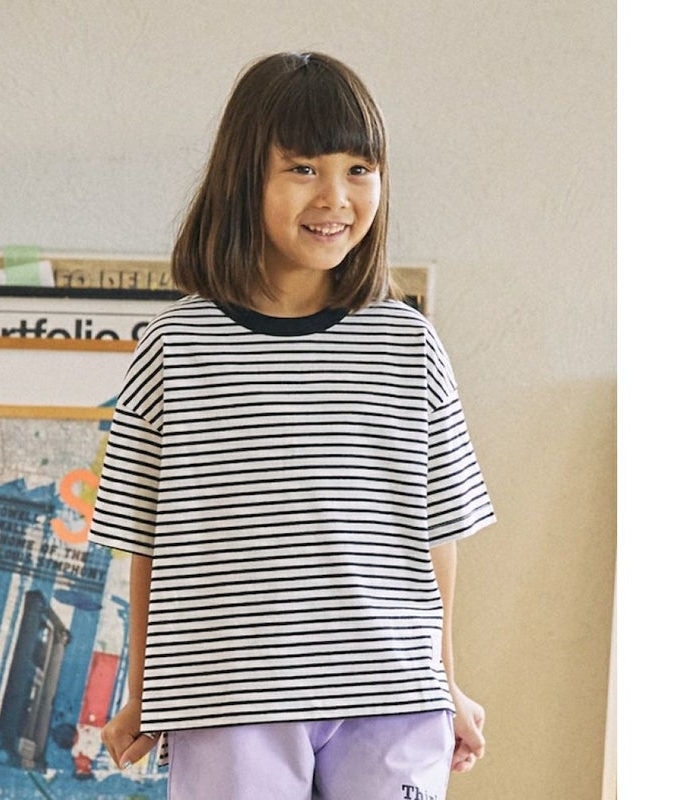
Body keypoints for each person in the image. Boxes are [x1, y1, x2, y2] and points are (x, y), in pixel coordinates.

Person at [89, 51, 496, 800]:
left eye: (359, 169)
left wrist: (445, 679)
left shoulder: (407, 343)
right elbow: (145, 535)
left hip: (394, 697)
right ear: (245, 177)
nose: (335, 196)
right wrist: (145, 688)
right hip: (228, 696)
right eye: (303, 168)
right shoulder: (176, 348)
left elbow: (437, 530)